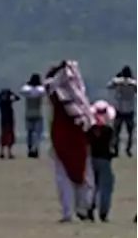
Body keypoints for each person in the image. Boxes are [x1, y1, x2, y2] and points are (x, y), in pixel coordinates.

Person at [45, 60, 94, 222]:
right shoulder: (76, 100)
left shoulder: (56, 94)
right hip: (74, 139)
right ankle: (82, 209)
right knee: (81, 175)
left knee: (66, 177)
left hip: (64, 139)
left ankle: (72, 211)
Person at [88, 101, 116, 222]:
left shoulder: (89, 129)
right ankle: (103, 213)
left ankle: (89, 208)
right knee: (106, 187)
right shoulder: (108, 130)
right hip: (105, 160)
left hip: (91, 159)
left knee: (92, 186)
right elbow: (113, 147)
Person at [106, 66, 137, 157]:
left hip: (119, 109)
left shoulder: (117, 82)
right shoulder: (133, 83)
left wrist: (117, 77)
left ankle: (116, 149)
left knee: (116, 132)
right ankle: (128, 149)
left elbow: (109, 86)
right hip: (129, 110)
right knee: (130, 133)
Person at [21, 73, 47, 158]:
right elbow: (43, 91)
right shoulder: (40, 90)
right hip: (37, 113)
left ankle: (30, 148)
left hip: (28, 113)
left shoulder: (26, 90)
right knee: (37, 133)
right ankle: (35, 149)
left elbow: (23, 91)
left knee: (29, 133)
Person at [0, 88, 20, 159]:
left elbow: (17, 98)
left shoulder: (1, 102)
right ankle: (9, 152)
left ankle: (2, 152)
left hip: (3, 119)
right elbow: (17, 98)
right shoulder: (7, 102)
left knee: (4, 135)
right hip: (9, 119)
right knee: (9, 135)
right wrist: (12, 95)